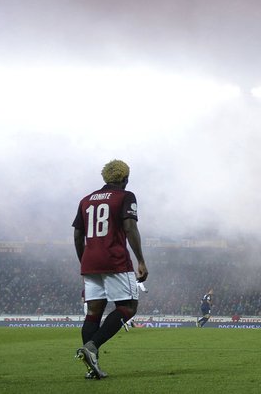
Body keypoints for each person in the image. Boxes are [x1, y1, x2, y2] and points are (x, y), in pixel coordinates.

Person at [72, 159, 148, 380]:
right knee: (129, 307)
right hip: (114, 259)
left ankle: (91, 365)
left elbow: (78, 235)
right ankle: (93, 347)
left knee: (94, 312)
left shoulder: (86, 200)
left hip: (90, 261)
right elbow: (130, 227)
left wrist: (83, 261)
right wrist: (140, 260)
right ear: (125, 179)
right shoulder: (126, 196)